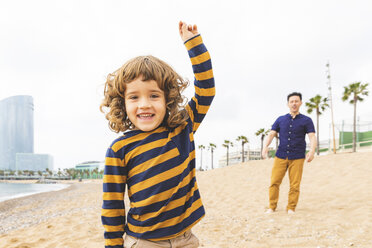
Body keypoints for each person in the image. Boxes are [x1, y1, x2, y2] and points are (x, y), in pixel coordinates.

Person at [100, 21, 215, 248]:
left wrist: (194, 44)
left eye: (154, 96)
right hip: (143, 242)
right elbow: (113, 206)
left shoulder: (182, 127)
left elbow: (207, 90)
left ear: (167, 99)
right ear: (122, 103)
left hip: (186, 239)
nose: (144, 104)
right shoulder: (119, 149)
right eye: (134, 97)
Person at [262, 92, 316, 214]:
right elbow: (271, 134)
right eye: (291, 101)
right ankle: (272, 206)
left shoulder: (306, 120)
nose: (294, 103)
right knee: (274, 182)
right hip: (280, 155)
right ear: (288, 104)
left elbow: (312, 136)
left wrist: (312, 151)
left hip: (297, 156)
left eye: (296, 101)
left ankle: (291, 208)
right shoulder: (280, 119)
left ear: (301, 103)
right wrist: (265, 146)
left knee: (295, 185)